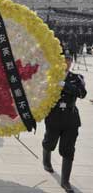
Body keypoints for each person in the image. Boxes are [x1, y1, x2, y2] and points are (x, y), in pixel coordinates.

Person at [42, 50, 87, 192]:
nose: (66, 62)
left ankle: (65, 181)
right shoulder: (50, 76)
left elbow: (82, 93)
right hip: (54, 116)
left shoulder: (77, 77)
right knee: (50, 142)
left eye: (68, 60)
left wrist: (65, 85)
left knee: (68, 149)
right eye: (63, 59)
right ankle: (47, 160)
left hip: (70, 117)